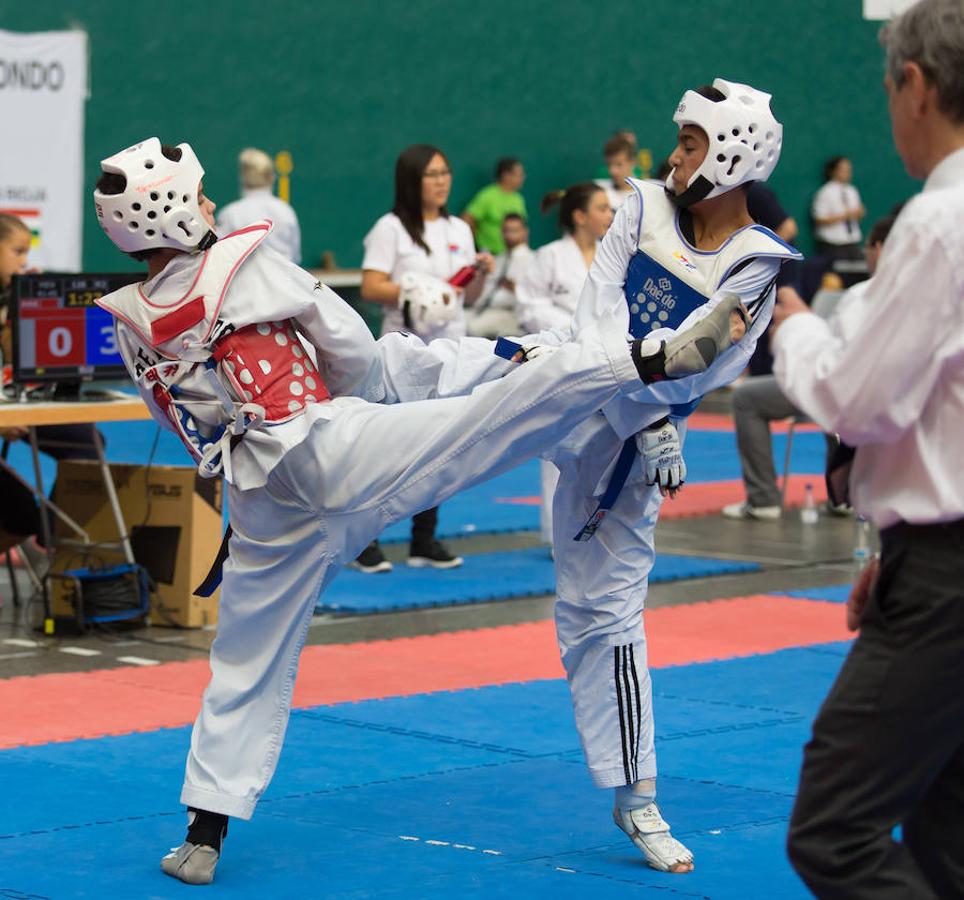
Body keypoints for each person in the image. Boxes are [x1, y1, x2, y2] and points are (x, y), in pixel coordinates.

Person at [90, 137, 750, 885]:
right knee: (486, 417)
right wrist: (380, 388)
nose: (211, 203)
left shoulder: (130, 323)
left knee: (245, 658)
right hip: (329, 446)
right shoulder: (244, 262)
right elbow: (349, 349)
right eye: (198, 193)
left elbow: (178, 417)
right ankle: (648, 360)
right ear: (171, 209)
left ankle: (203, 832)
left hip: (257, 499)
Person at [491, 79, 801, 874]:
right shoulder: (641, 206)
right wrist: (642, 406)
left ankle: (638, 797)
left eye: (692, 143)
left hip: (626, 449)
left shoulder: (755, 263)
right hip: (565, 385)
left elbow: (707, 361)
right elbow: (599, 313)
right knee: (439, 377)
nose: (675, 155)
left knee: (600, 615)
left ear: (733, 155)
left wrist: (648, 415)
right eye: (681, 139)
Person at [772, 1, 964, 895]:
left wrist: (797, 326)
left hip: (948, 576)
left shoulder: (939, 222)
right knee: (944, 830)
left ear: (915, 87)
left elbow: (861, 401)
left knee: (834, 830)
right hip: (931, 555)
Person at [354, 144, 492, 573]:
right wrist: (414, 292)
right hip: (403, 350)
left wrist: (480, 274)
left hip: (450, 349)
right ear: (412, 181)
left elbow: (468, 297)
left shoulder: (460, 229)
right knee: (388, 448)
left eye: (445, 172)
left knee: (442, 447)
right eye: (432, 174)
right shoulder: (390, 228)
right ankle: (364, 541)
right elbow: (371, 286)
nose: (442, 181)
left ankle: (423, 539)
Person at [722, 213, 896, 520]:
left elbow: (834, 367)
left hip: (840, 388)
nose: (866, 254)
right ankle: (845, 495)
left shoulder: (862, 296)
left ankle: (764, 499)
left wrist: (796, 329)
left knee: (746, 397)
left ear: (880, 249)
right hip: (885, 404)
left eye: (868, 247)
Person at [516, 183, 613, 543]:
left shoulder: (612, 257)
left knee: (605, 445)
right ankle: (558, 533)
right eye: (602, 208)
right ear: (579, 216)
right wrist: (571, 326)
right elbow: (528, 305)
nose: (609, 215)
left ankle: (596, 527)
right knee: (560, 441)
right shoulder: (550, 256)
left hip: (603, 359)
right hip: (559, 358)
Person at [215, 148, 301, 263]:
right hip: (282, 279)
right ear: (271, 177)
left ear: (242, 177)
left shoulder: (230, 214)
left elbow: (220, 258)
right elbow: (295, 256)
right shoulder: (286, 211)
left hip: (243, 280)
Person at [465, 212, 532, 339]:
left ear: (524, 232)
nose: (510, 235)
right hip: (484, 308)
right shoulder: (500, 258)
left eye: (515, 231)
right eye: (506, 231)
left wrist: (514, 287)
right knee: (459, 320)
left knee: (472, 328)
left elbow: (532, 296)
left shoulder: (532, 259)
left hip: (512, 313)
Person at [460, 157, 527, 255]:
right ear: (506, 175)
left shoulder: (518, 199)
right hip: (489, 255)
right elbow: (467, 219)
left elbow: (522, 229)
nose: (522, 178)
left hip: (512, 256)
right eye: (519, 174)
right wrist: (473, 248)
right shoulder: (488, 195)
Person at [811, 155, 865, 260]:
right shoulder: (825, 192)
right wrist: (844, 216)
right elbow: (819, 219)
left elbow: (856, 218)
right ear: (833, 171)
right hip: (833, 245)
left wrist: (858, 214)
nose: (847, 173)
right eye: (843, 169)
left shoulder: (852, 191)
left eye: (849, 170)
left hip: (852, 243)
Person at [595, 133, 638, 212]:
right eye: (609, 165)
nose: (612, 171)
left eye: (619, 164)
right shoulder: (598, 191)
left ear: (633, 161)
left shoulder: (646, 193)